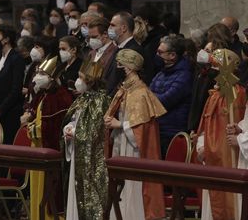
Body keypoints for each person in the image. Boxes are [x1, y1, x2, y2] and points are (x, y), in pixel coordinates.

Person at [104, 49, 166, 220]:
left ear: (129, 69)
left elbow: (142, 130)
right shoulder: (126, 89)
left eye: (120, 65)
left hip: (133, 149)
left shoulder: (141, 93)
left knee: (132, 187)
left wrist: (120, 124)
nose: (118, 69)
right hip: (121, 141)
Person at [196, 49, 246, 220]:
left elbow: (239, 122)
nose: (213, 72)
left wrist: (238, 132)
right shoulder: (215, 94)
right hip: (210, 153)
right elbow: (205, 123)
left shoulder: (236, 93)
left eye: (216, 68)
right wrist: (202, 145)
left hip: (226, 156)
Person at [21, 55, 73, 220]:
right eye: (38, 73)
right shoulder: (44, 95)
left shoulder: (60, 97)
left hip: (49, 150)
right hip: (38, 148)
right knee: (36, 189)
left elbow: (53, 127)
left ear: (53, 78)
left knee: (48, 191)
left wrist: (31, 129)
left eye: (42, 74)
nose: (37, 77)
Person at [62, 60, 110, 220]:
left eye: (81, 78)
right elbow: (74, 118)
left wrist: (75, 132)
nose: (78, 81)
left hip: (92, 157)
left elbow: (96, 130)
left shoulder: (101, 100)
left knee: (90, 195)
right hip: (77, 149)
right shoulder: (83, 98)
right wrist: (68, 128)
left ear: (91, 81)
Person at [150, 35, 193, 156]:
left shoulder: (184, 76)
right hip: (158, 129)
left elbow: (164, 101)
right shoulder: (161, 73)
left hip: (172, 133)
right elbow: (146, 95)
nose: (157, 55)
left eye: (160, 52)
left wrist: (149, 97)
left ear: (172, 55)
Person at [0, 24, 25, 144]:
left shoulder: (16, 59)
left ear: (6, 39)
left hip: (9, 113)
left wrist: (0, 110)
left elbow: (15, 90)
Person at [103, 12, 143, 96]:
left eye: (112, 25)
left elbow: (126, 80)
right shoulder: (119, 48)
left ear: (123, 28)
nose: (109, 28)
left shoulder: (133, 50)